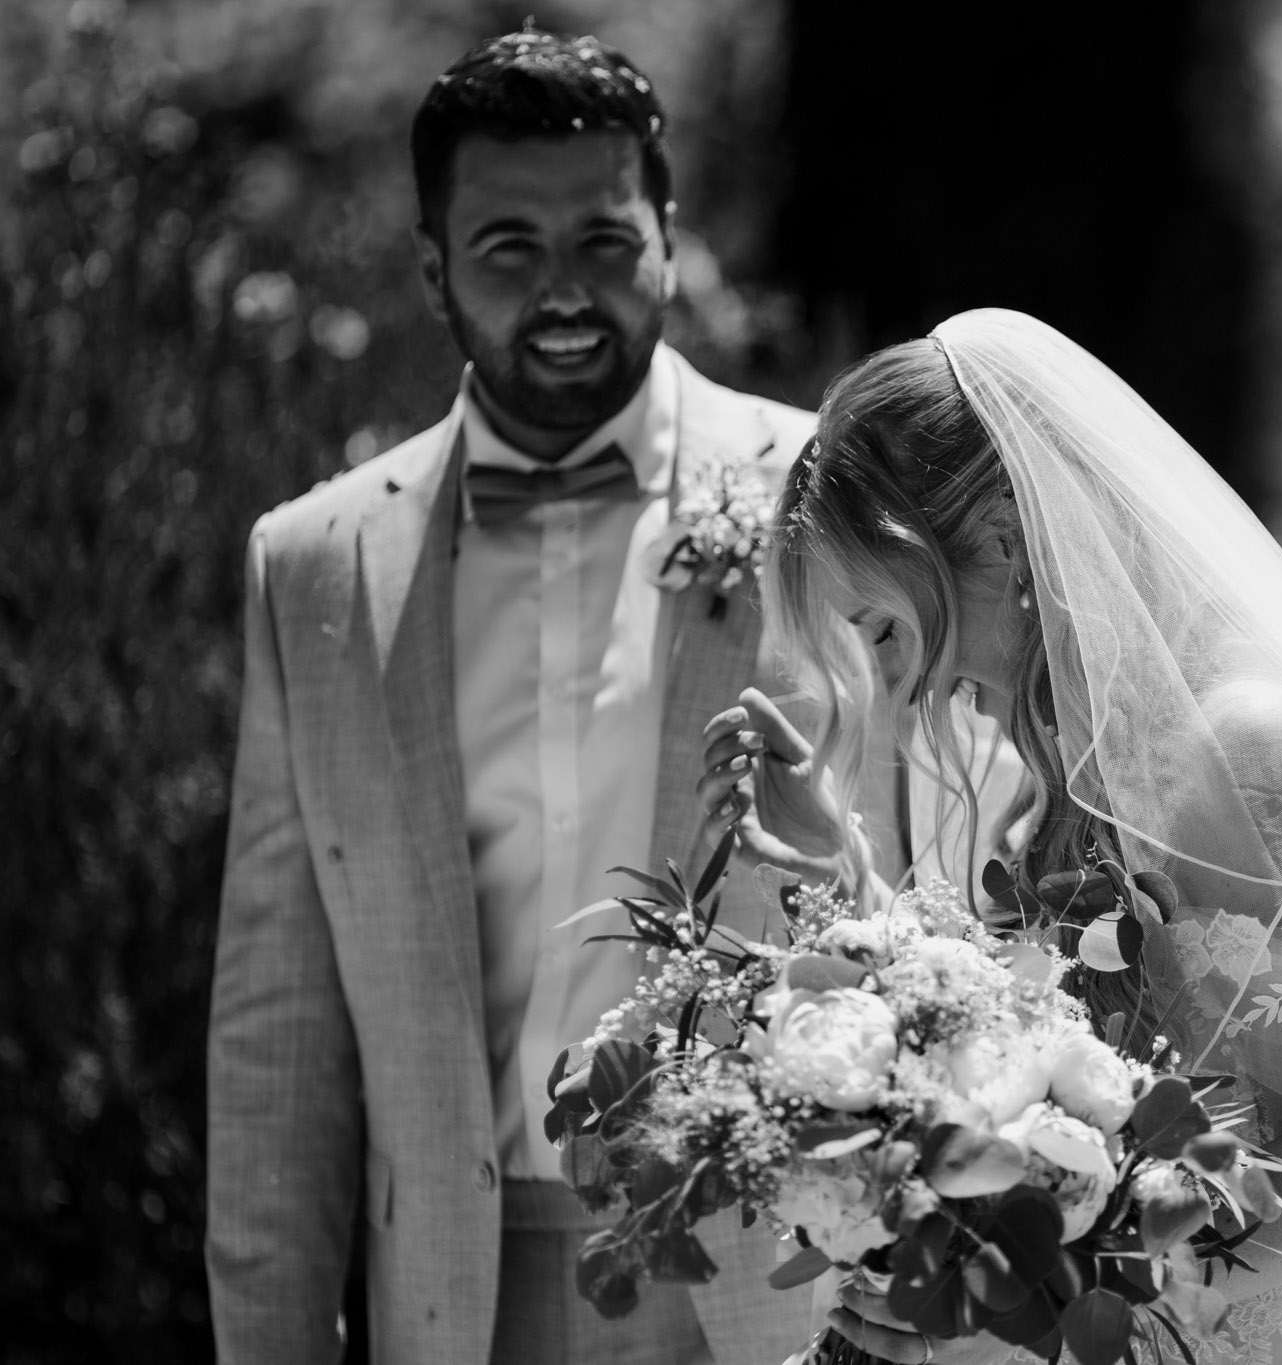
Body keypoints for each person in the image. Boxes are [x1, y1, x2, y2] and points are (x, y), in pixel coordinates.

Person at [700, 309, 1282, 1364]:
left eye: (889, 628)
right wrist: (834, 862)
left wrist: (1026, 1302)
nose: (906, 682)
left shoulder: (1246, 746)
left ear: (1007, 543)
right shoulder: (1078, 757)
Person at [204, 29, 869, 1365]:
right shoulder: (316, 565)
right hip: (456, 1295)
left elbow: (934, 873)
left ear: (668, 238)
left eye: (603, 241)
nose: (563, 289)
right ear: (432, 267)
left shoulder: (828, 504)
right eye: (508, 247)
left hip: (780, 1283)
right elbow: (279, 1033)